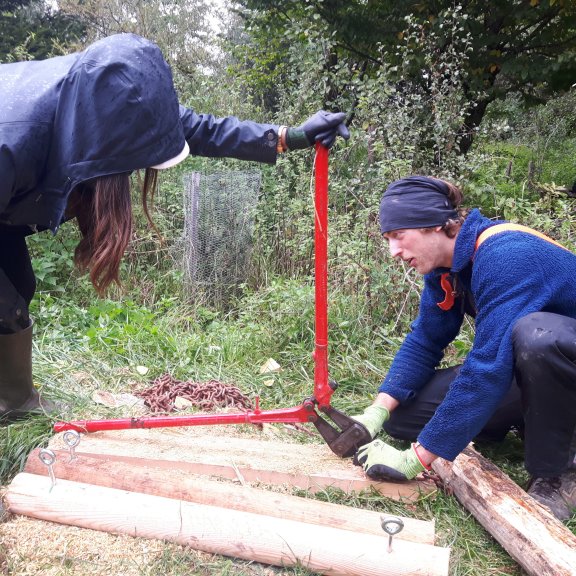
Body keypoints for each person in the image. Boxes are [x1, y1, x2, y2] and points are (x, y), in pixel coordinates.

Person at [0, 33, 349, 422]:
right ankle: (13, 409)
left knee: (18, 288)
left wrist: (288, 136)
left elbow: (198, 128)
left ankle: (14, 405)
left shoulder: (116, 102)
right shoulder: (12, 140)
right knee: (4, 301)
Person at [352, 175, 576, 521]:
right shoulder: (446, 268)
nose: (394, 251)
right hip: (541, 372)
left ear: (436, 226)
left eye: (398, 236)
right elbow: (426, 339)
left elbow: (488, 368)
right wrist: (376, 412)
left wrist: (417, 459)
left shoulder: (508, 256)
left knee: (537, 336)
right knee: (405, 419)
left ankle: (560, 472)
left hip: (561, 359)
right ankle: (531, 418)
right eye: (388, 239)